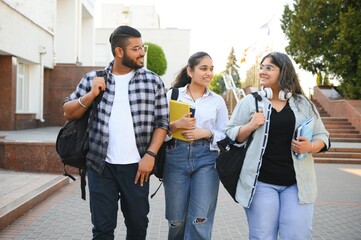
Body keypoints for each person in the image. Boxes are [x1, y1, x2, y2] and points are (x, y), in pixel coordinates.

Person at [62, 25, 169, 240]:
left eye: (142, 47)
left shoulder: (152, 81)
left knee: (138, 226)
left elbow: (162, 122)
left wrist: (150, 155)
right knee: (102, 229)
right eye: (136, 48)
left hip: (138, 168)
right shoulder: (94, 78)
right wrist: (91, 95)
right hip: (100, 166)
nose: (142, 53)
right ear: (119, 52)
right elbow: (68, 112)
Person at [225, 52, 330, 239]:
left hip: (297, 185)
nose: (262, 72)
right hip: (261, 184)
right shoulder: (251, 102)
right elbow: (230, 133)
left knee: (298, 235)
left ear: (284, 72)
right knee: (263, 236)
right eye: (262, 67)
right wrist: (250, 126)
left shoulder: (302, 104)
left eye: (269, 68)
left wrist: (310, 147)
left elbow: (322, 136)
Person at [163, 51, 229, 239]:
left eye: (211, 69)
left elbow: (225, 134)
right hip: (176, 156)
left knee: (200, 218)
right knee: (176, 220)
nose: (209, 73)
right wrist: (176, 125)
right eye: (203, 68)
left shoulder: (217, 101)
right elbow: (158, 129)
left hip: (206, 158)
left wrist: (206, 133)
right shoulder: (172, 95)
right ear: (190, 71)